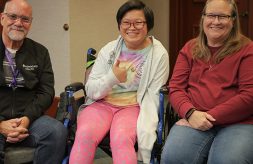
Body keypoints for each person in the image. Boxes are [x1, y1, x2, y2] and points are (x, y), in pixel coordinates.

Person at [69, 0, 169, 163]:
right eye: (126, 22)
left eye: (138, 22)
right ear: (119, 25)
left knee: (121, 138)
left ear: (148, 25)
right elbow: (92, 90)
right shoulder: (109, 49)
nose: (132, 27)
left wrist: (148, 129)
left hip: (132, 107)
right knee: (85, 134)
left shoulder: (159, 54)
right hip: (101, 104)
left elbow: (153, 95)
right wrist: (112, 78)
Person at [161, 0, 253, 163]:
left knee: (226, 160)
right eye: (211, 15)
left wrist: (206, 117)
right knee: (174, 157)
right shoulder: (190, 48)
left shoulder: (247, 49)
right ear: (203, 18)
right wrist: (190, 113)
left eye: (222, 16)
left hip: (239, 122)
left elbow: (249, 96)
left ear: (233, 20)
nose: (216, 21)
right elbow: (176, 88)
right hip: (194, 117)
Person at [0, 0, 67, 163]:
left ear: (30, 23)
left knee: (56, 132)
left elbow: (46, 91)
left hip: (30, 119)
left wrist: (27, 118)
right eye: (13, 17)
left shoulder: (40, 52)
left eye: (25, 19)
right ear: (2, 18)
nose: (18, 23)